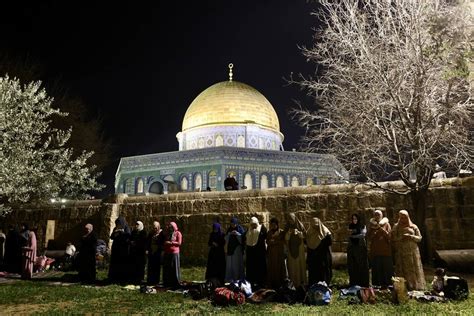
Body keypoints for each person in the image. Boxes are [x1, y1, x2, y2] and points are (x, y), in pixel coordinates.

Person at [392, 210, 426, 290]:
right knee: (403, 268)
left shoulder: (413, 226)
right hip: (402, 251)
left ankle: (415, 286)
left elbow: (419, 238)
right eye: (401, 217)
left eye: (405, 217)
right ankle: (404, 286)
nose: (403, 219)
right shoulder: (396, 227)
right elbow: (393, 238)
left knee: (413, 268)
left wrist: (411, 236)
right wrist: (401, 238)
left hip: (413, 251)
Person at [367, 210, 393, 288]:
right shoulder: (371, 225)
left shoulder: (386, 224)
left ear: (381, 216)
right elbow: (368, 236)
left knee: (386, 267)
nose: (377, 216)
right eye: (375, 215)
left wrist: (381, 230)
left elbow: (389, 236)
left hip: (385, 251)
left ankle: (387, 283)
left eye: (378, 215)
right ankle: (377, 284)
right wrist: (374, 234)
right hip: (375, 251)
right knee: (376, 267)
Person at [306, 217, 332, 286]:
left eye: (317, 225)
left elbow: (329, 242)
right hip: (314, 259)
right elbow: (308, 244)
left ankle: (324, 287)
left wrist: (322, 241)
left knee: (323, 273)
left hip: (323, 257)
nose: (315, 227)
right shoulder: (309, 232)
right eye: (313, 225)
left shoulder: (325, 232)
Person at [347, 214, 369, 287]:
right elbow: (348, 234)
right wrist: (353, 235)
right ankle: (354, 283)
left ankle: (363, 283)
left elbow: (363, 235)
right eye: (353, 219)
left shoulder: (362, 226)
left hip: (361, 248)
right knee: (353, 266)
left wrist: (353, 236)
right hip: (352, 248)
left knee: (362, 265)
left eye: (355, 219)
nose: (354, 220)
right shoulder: (350, 226)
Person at [285, 213, 307, 287]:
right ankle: (293, 283)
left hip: (299, 248)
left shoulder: (300, 226)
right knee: (292, 266)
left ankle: (301, 282)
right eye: (289, 219)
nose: (290, 221)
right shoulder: (287, 227)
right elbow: (285, 238)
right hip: (290, 249)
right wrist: (288, 234)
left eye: (292, 219)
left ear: (295, 218)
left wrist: (300, 234)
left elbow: (305, 236)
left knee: (300, 265)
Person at [245, 217, 267, 289]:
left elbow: (265, 236)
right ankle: (252, 283)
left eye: (255, 224)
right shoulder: (249, 230)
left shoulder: (262, 228)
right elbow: (245, 238)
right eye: (252, 224)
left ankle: (261, 283)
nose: (253, 226)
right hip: (251, 254)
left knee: (260, 268)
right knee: (251, 269)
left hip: (260, 254)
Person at [108, 216, 131, 283]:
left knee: (122, 263)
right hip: (116, 248)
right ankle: (114, 277)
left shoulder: (126, 227)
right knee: (115, 263)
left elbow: (128, 235)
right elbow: (111, 237)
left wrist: (122, 232)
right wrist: (116, 232)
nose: (118, 224)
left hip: (123, 249)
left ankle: (122, 278)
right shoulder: (116, 228)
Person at [266, 218, 287, 289]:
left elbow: (282, 241)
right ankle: (272, 283)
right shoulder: (269, 232)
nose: (273, 226)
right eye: (272, 225)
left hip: (279, 254)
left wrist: (274, 241)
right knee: (272, 269)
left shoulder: (281, 232)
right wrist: (272, 241)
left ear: (277, 225)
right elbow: (267, 241)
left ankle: (280, 283)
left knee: (279, 268)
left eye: (274, 224)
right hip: (271, 254)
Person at [225, 217, 245, 282]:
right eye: (231, 224)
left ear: (236, 223)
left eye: (234, 224)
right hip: (230, 249)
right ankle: (231, 277)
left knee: (237, 263)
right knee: (230, 264)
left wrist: (237, 234)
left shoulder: (240, 229)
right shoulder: (229, 229)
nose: (233, 225)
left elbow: (243, 238)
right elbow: (226, 238)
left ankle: (237, 277)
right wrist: (230, 234)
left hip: (237, 250)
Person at [163, 222, 182, 288]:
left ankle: (176, 281)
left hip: (174, 252)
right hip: (167, 252)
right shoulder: (168, 233)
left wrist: (171, 243)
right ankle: (168, 281)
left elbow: (179, 243)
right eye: (169, 227)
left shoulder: (178, 233)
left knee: (174, 267)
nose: (170, 228)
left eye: (171, 227)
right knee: (168, 267)